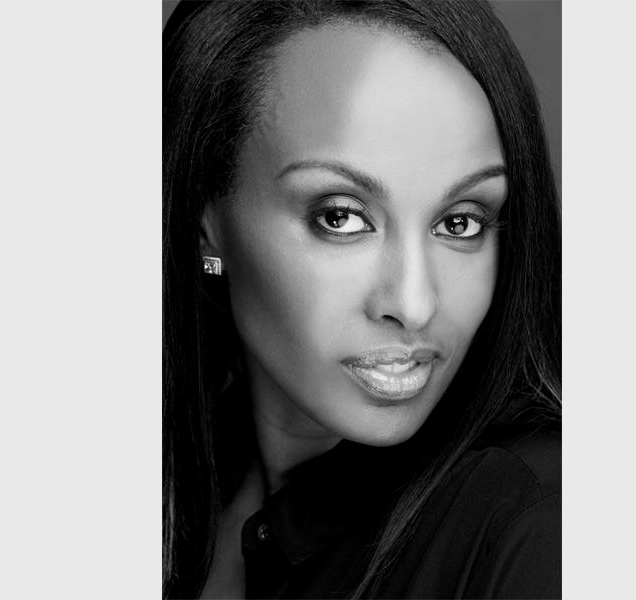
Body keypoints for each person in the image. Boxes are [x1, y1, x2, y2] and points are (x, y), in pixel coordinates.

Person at [163, 1, 561, 598]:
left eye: (459, 223)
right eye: (342, 217)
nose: (415, 304)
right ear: (205, 222)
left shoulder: (537, 527)